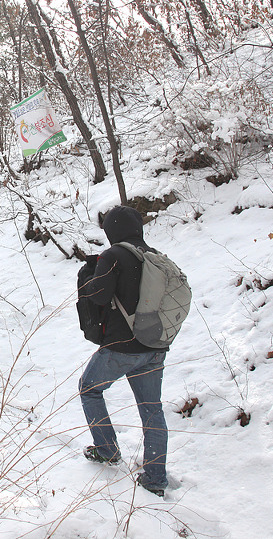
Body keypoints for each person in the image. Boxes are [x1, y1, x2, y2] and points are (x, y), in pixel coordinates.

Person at [77, 205, 169, 498]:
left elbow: (99, 296)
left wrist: (90, 275)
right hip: (155, 345)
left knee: (89, 389)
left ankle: (107, 449)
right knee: (152, 409)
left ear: (111, 231)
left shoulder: (113, 255)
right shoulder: (154, 256)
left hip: (122, 347)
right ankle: (155, 477)